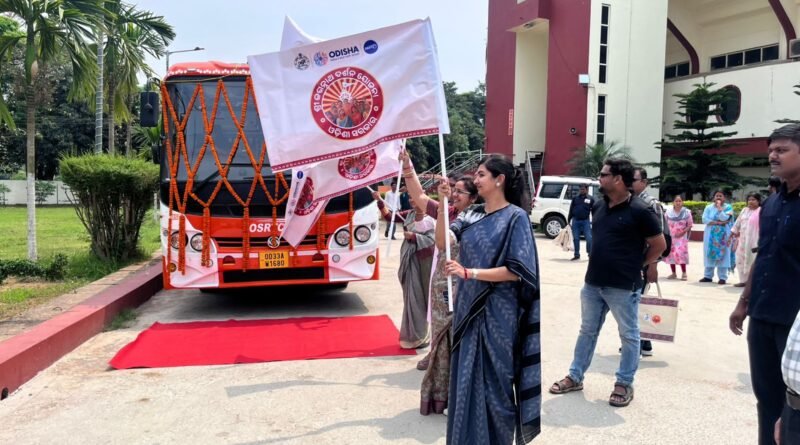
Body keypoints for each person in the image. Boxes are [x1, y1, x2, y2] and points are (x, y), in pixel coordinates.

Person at [437, 154, 541, 444]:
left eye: (481, 174)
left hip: (498, 313)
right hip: (467, 310)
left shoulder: (516, 218)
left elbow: (517, 271)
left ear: (499, 180)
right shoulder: (471, 214)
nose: (476, 179)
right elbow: (443, 243)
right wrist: (443, 205)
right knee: (465, 381)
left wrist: (469, 273)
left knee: (496, 386)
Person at [550, 158, 665, 408]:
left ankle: (624, 383)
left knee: (629, 335)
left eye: (603, 175)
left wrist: (639, 264)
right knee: (587, 331)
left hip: (623, 286)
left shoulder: (641, 210)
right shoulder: (599, 206)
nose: (599, 178)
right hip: (593, 284)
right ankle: (575, 376)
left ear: (618, 179)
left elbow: (659, 245)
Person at [730, 123, 800, 445]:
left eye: (782, 150)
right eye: (771, 150)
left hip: (794, 322)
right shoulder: (772, 203)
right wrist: (744, 302)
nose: (773, 156)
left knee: (795, 404)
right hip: (762, 316)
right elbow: (764, 255)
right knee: (767, 398)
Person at [400, 153, 481, 416]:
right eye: (452, 190)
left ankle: (460, 396)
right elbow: (419, 196)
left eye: (460, 191)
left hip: (465, 285)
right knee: (441, 340)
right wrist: (407, 166)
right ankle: (441, 395)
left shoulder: (479, 218)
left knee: (460, 340)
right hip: (441, 285)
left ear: (473, 198)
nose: (454, 194)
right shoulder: (447, 211)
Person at [375, 191, 435, 349]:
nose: (412, 200)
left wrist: (414, 237)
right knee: (412, 297)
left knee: (425, 298)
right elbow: (390, 217)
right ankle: (415, 335)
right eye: (410, 198)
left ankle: (425, 335)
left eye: (415, 197)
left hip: (426, 262)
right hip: (410, 260)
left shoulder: (433, 215)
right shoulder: (409, 214)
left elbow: (435, 240)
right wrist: (380, 201)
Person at [631, 167, 669, 357]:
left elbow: (659, 237)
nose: (630, 183)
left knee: (636, 303)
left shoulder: (651, 204)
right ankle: (645, 343)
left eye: (634, 179)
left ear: (644, 183)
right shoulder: (631, 202)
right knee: (639, 301)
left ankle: (636, 345)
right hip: (635, 261)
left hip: (645, 262)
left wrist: (652, 265)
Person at [700, 190, 734, 284]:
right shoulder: (708, 207)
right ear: (714, 198)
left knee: (724, 254)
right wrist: (718, 223)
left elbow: (725, 218)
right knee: (709, 252)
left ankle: (722, 277)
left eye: (720, 196)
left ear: (724, 198)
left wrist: (720, 209)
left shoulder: (728, 207)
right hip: (710, 233)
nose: (718, 197)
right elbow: (704, 219)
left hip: (724, 235)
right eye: (717, 196)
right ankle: (708, 276)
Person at [731, 192, 762, 287]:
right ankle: (743, 281)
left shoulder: (761, 211)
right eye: (749, 199)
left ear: (758, 201)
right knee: (740, 259)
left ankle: (753, 282)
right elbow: (738, 223)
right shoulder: (744, 210)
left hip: (755, 240)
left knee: (753, 260)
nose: (751, 201)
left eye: (753, 199)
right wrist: (732, 233)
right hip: (742, 241)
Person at [664, 195, 693, 281]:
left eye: (680, 201)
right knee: (671, 254)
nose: (678, 203)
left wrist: (682, 232)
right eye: (676, 201)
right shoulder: (668, 212)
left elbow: (690, 225)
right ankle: (673, 273)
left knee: (681, 254)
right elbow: (664, 224)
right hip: (671, 237)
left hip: (681, 237)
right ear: (673, 202)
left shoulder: (687, 212)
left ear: (682, 202)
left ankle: (684, 273)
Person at [567, 184, 594, 260]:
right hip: (575, 221)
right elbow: (571, 209)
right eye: (580, 189)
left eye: (583, 189)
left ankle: (589, 254)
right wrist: (569, 219)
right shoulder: (575, 198)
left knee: (589, 238)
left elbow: (594, 210)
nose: (582, 190)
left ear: (587, 190)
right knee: (576, 238)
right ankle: (576, 255)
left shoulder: (591, 199)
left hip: (585, 221)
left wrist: (595, 219)